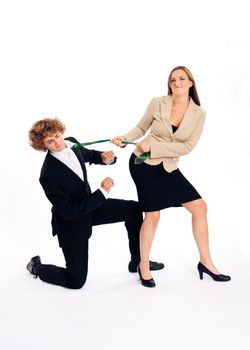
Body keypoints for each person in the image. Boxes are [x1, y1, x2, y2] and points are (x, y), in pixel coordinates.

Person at [112, 66, 231, 287]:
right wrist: (123, 138)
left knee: (200, 207)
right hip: (143, 164)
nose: (176, 83)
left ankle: (206, 261)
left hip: (168, 167)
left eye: (181, 79)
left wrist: (153, 145)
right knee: (153, 216)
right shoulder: (158, 102)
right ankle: (143, 265)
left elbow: (187, 147)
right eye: (173, 80)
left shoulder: (199, 113)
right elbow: (140, 127)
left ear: (190, 83)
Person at [26, 118, 164, 289]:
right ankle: (37, 267)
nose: (57, 142)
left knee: (133, 209)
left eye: (57, 136)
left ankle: (137, 261)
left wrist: (104, 158)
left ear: (62, 132)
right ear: (43, 146)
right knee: (75, 281)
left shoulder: (71, 143)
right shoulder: (48, 174)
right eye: (50, 141)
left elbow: (88, 155)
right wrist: (102, 193)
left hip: (90, 207)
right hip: (72, 222)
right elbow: (69, 211)